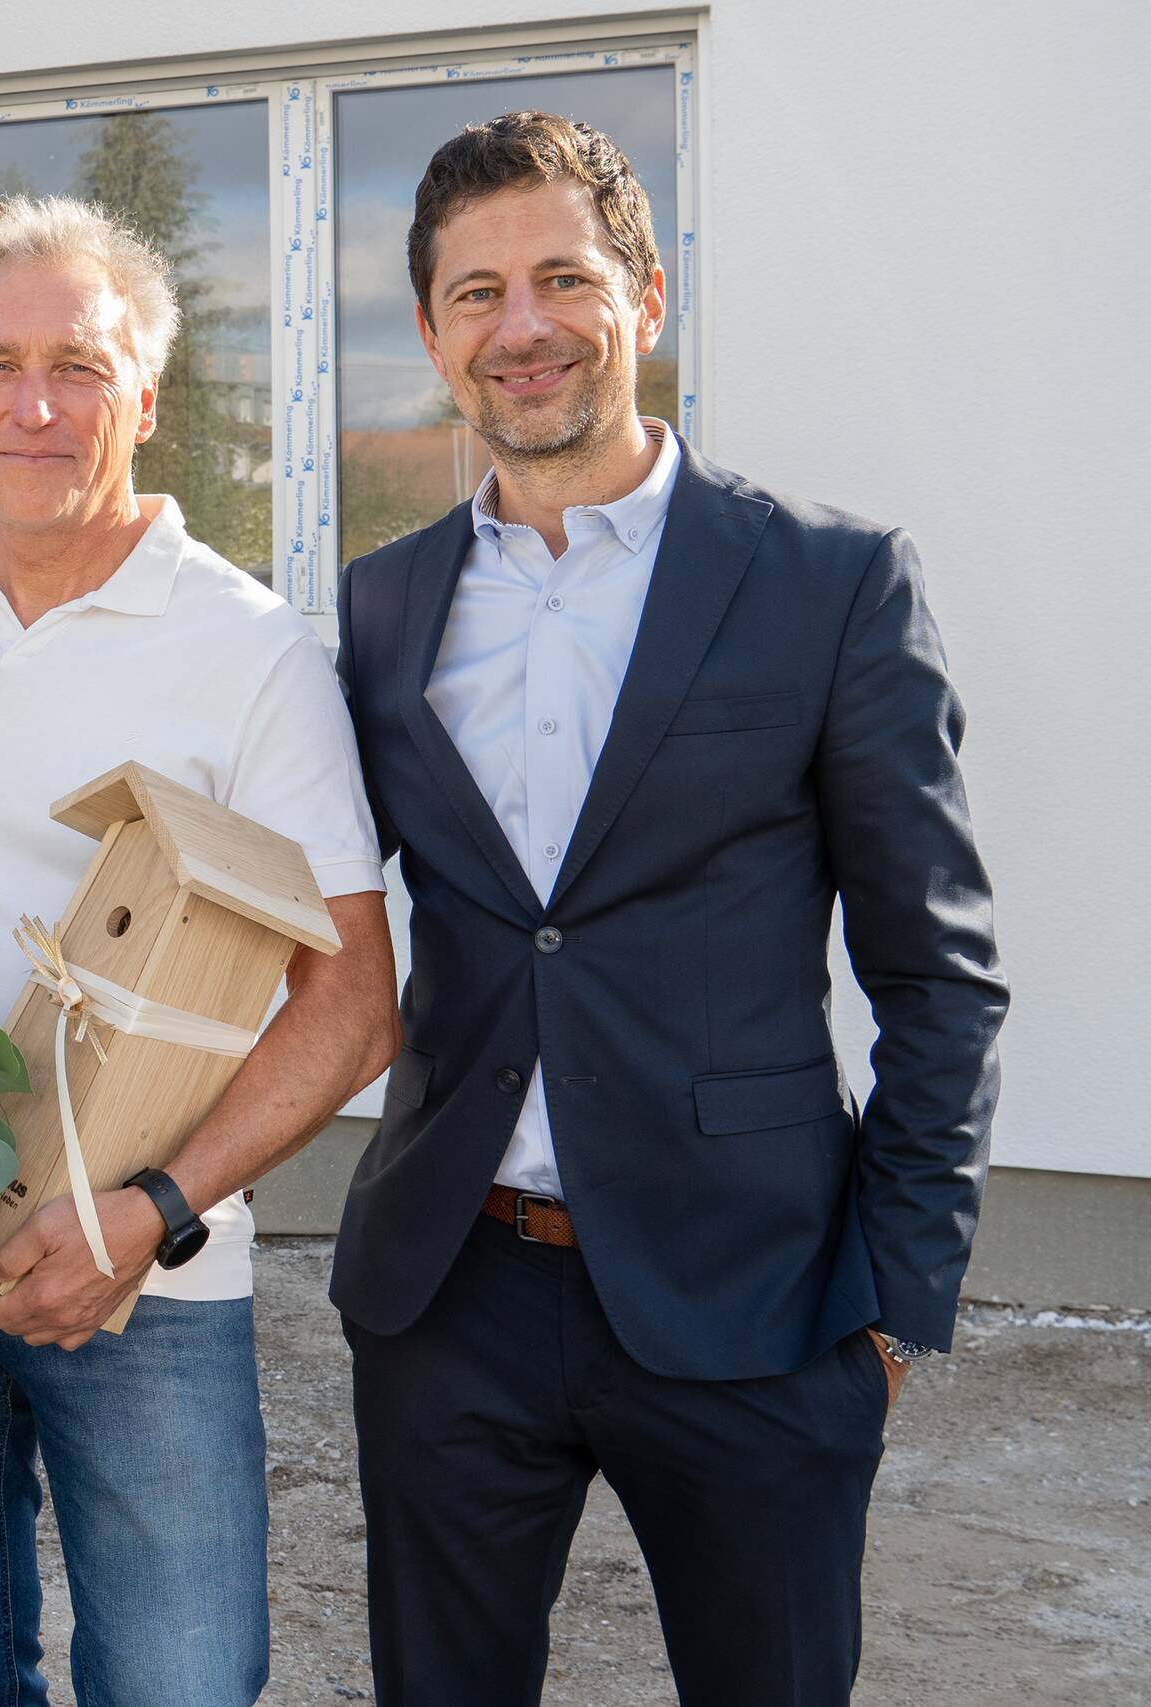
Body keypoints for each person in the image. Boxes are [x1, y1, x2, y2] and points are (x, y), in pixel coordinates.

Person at [331, 111, 1009, 1705]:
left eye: (562, 278)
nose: (525, 328)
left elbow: (940, 974)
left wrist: (898, 1310)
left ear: (643, 295)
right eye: (477, 293)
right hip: (452, 1298)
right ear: (433, 334)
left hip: (758, 1294)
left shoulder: (827, 584)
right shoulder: (382, 607)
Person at [0, 196, 399, 1707]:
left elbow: (352, 1006)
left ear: (147, 396)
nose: (36, 404)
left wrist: (154, 1211)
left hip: (146, 1274)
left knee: (182, 1681)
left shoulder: (250, 647)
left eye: (79, 364)